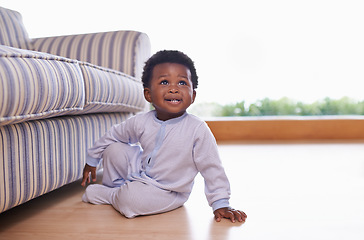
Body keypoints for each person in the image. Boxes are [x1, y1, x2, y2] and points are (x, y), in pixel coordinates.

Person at [81, 50, 247, 223]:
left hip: (167, 191)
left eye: (182, 82)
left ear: (193, 96)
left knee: (132, 201)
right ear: (148, 94)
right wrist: (92, 158)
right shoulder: (141, 121)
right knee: (114, 148)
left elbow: (212, 168)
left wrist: (220, 203)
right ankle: (117, 189)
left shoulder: (197, 129)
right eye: (165, 82)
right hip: (140, 172)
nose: (174, 89)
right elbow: (114, 134)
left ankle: (113, 195)